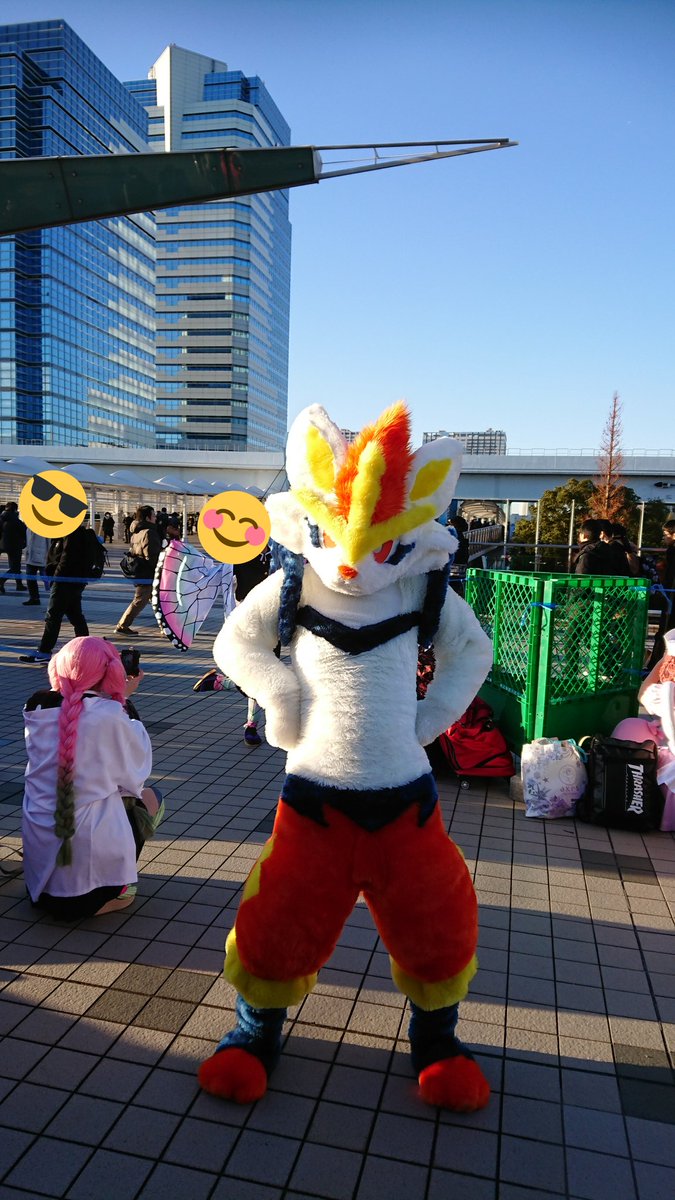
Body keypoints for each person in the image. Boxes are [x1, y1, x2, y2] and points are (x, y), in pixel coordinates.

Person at [21, 637, 163, 920]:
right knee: (150, 797)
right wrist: (124, 698)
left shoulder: (36, 707)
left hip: (40, 886)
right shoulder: (110, 714)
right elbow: (135, 775)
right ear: (112, 671)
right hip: (89, 895)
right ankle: (119, 886)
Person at [19, 524, 92, 663]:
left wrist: (56, 578)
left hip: (65, 582)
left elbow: (66, 558)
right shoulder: (68, 533)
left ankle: (44, 652)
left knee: (53, 616)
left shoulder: (72, 534)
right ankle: (86, 649)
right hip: (70, 581)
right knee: (75, 616)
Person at [115, 505, 162, 636]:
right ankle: (122, 625)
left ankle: (165, 627)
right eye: (153, 515)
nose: (155, 517)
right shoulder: (149, 532)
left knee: (158, 601)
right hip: (148, 573)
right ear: (147, 518)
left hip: (140, 570)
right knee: (140, 600)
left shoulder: (136, 532)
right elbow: (152, 556)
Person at [0, 501, 27, 593]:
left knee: (15, 566)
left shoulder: (1, 518)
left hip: (3, 545)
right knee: (15, 567)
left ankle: (19, 584)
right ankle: (2, 580)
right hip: (15, 546)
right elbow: (24, 531)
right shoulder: (15, 519)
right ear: (15, 509)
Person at [23, 529, 49, 607]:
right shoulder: (29, 527)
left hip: (42, 555)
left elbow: (49, 541)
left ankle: (57, 600)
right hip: (30, 555)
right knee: (30, 578)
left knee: (47, 579)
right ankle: (34, 598)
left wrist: (49, 555)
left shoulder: (45, 528)